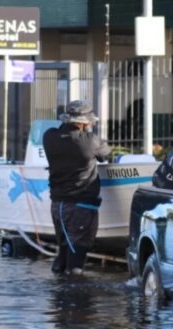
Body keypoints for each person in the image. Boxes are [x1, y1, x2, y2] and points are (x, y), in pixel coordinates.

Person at [43, 100, 112, 276]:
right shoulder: (89, 141)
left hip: (57, 206)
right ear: (84, 122)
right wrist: (88, 132)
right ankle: (76, 300)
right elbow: (107, 155)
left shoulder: (49, 136)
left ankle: (57, 297)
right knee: (76, 262)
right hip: (81, 207)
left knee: (62, 255)